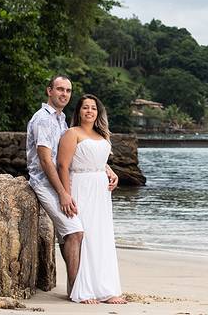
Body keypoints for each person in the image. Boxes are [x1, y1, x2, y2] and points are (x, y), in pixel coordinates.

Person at [26, 75, 119, 298]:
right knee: (75, 232)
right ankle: (79, 290)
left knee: (71, 234)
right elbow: (47, 160)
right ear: (49, 91)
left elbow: (78, 153)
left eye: (68, 90)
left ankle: (80, 287)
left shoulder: (60, 119)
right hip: (45, 183)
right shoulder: (43, 119)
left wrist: (105, 168)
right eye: (60, 89)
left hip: (65, 183)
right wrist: (63, 193)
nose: (64, 94)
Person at [56, 93, 126, 304]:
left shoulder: (102, 135)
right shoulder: (72, 133)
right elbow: (63, 165)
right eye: (85, 107)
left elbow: (99, 160)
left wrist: (110, 171)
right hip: (80, 187)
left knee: (101, 237)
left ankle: (106, 289)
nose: (89, 111)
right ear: (79, 111)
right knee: (85, 237)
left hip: (101, 191)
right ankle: (84, 290)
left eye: (93, 108)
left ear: (98, 112)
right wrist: (66, 194)